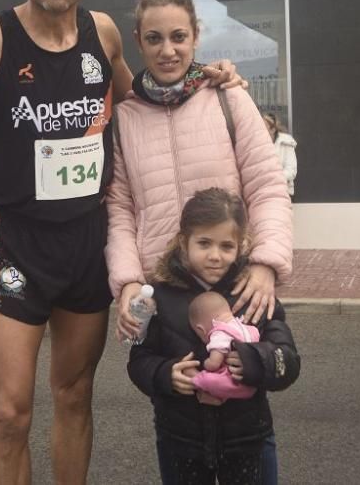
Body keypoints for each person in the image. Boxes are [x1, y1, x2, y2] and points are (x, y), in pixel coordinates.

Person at [0, 0, 240, 484]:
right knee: (8, 413)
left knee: (74, 397)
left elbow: (146, 100)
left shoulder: (103, 34)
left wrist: (210, 77)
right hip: (17, 245)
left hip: (86, 244)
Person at [106, 0, 293, 481]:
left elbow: (268, 188)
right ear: (138, 41)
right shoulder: (123, 119)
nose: (168, 50)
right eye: (154, 39)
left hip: (233, 281)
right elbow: (121, 210)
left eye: (179, 36)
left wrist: (266, 264)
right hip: (164, 294)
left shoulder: (230, 101)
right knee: (177, 414)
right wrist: (126, 283)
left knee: (246, 421)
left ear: (195, 36)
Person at [128, 188, 300, 484]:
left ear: (240, 245)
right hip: (181, 443)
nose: (215, 256)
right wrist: (164, 375)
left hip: (249, 441)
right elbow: (139, 360)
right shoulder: (160, 297)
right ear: (184, 242)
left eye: (226, 246)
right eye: (204, 243)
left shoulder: (253, 295)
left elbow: (288, 361)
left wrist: (254, 360)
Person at [189, 291, 260, 400]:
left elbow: (214, 364)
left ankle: (195, 379)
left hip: (236, 383)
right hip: (254, 381)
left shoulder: (219, 333)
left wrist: (206, 364)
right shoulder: (248, 328)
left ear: (201, 330)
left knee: (209, 380)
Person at [262, 112, 297, 197]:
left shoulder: (286, 142)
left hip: (283, 191)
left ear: (273, 129)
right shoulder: (258, 144)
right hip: (263, 192)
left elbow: (291, 170)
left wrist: (273, 179)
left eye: (264, 127)